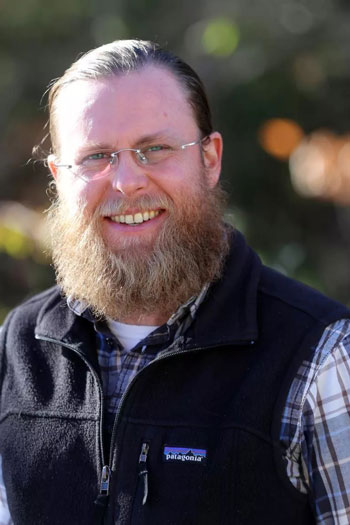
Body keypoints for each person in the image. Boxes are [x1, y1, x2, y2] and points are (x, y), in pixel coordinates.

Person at [0, 39, 349, 525]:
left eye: (155, 149)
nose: (126, 182)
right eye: (97, 156)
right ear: (59, 178)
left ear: (210, 159)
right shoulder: (17, 349)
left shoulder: (321, 359)